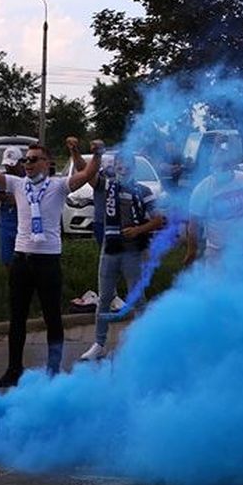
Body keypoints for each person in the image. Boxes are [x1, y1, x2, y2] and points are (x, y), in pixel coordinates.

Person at [0, 137, 102, 388]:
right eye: (26, 159)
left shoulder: (58, 186)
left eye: (33, 159)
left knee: (52, 318)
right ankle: (14, 369)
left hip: (48, 261)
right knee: (17, 318)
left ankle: (53, 371)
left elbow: (88, 174)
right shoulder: (18, 184)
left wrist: (97, 153)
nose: (27, 163)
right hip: (21, 260)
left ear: (47, 163)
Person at [79, 150, 164, 362]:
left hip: (133, 252)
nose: (123, 167)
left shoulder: (143, 190)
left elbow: (159, 220)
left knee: (137, 298)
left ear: (133, 167)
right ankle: (99, 344)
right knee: (104, 298)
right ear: (114, 166)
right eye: (119, 163)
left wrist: (138, 230)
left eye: (127, 164)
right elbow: (85, 172)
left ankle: (144, 342)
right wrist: (74, 152)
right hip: (109, 250)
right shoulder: (106, 186)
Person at [185, 141, 243, 267]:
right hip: (219, 253)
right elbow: (193, 225)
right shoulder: (202, 189)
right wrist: (191, 251)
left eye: (225, 165)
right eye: (217, 165)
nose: (221, 169)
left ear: (232, 164)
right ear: (211, 165)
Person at [0, 146, 25, 270]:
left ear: (20, 162)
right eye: (7, 165)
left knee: (25, 261)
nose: (9, 168)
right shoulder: (0, 180)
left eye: (12, 165)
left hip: (24, 227)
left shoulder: (29, 179)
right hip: (6, 226)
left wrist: (17, 200)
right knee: (7, 260)